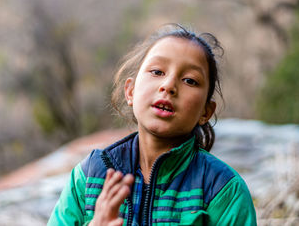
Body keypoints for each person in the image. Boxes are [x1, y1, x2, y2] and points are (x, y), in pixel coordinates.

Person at [48, 24, 257, 226]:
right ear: (130, 91)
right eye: (157, 72)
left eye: (190, 80)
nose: (168, 85)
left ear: (205, 111)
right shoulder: (89, 176)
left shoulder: (222, 190)